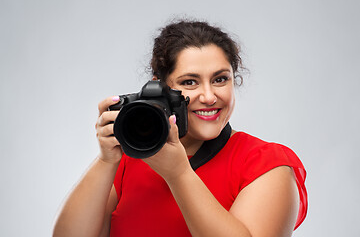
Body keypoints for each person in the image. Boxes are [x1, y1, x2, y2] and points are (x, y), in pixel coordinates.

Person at [53, 20, 307, 237]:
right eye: (190, 82)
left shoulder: (266, 164)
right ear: (160, 90)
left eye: (220, 79)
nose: (209, 97)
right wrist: (106, 160)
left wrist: (178, 175)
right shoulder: (131, 158)